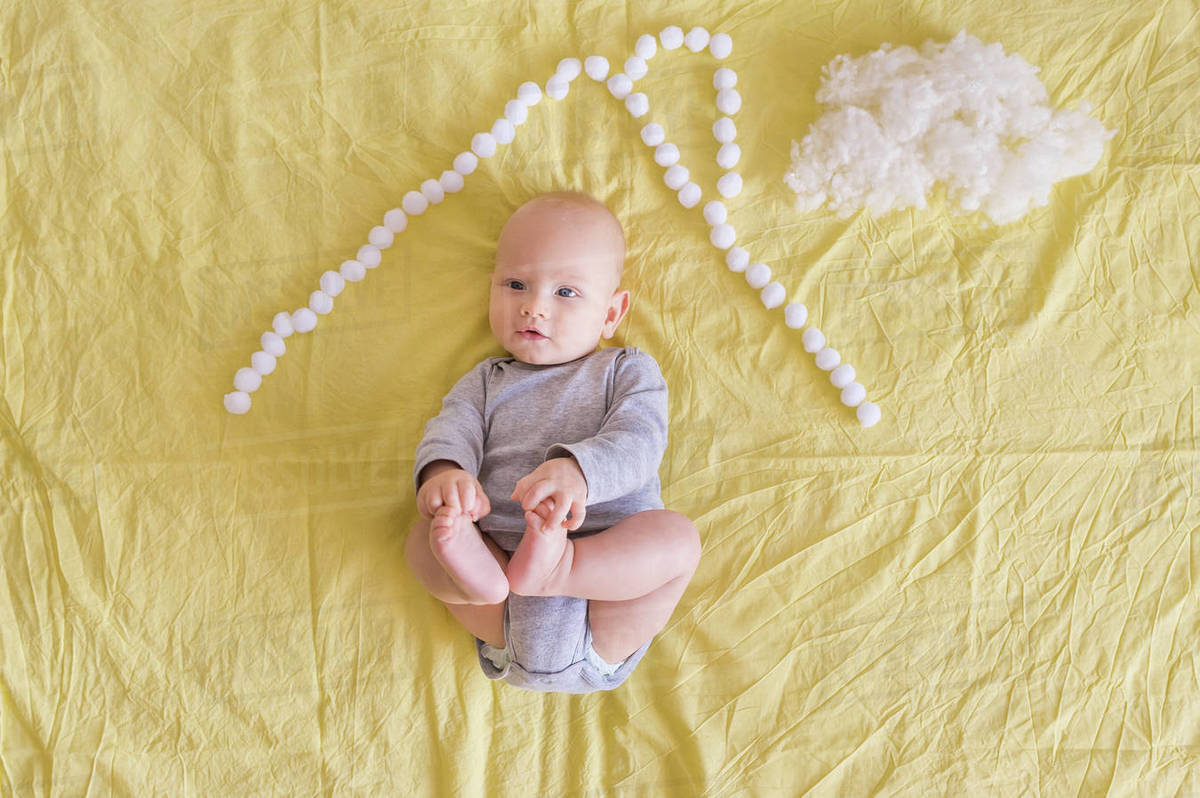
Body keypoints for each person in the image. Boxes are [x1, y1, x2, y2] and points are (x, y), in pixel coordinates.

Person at [405, 191, 701, 693]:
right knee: (420, 538)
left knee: (677, 540)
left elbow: (640, 441)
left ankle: (562, 567)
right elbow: (451, 428)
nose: (533, 308)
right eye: (516, 284)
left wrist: (579, 472)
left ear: (611, 312)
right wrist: (444, 475)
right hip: (501, 594)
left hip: (602, 603)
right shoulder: (486, 380)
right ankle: (477, 578)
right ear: (491, 288)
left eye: (566, 292)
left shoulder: (626, 370)